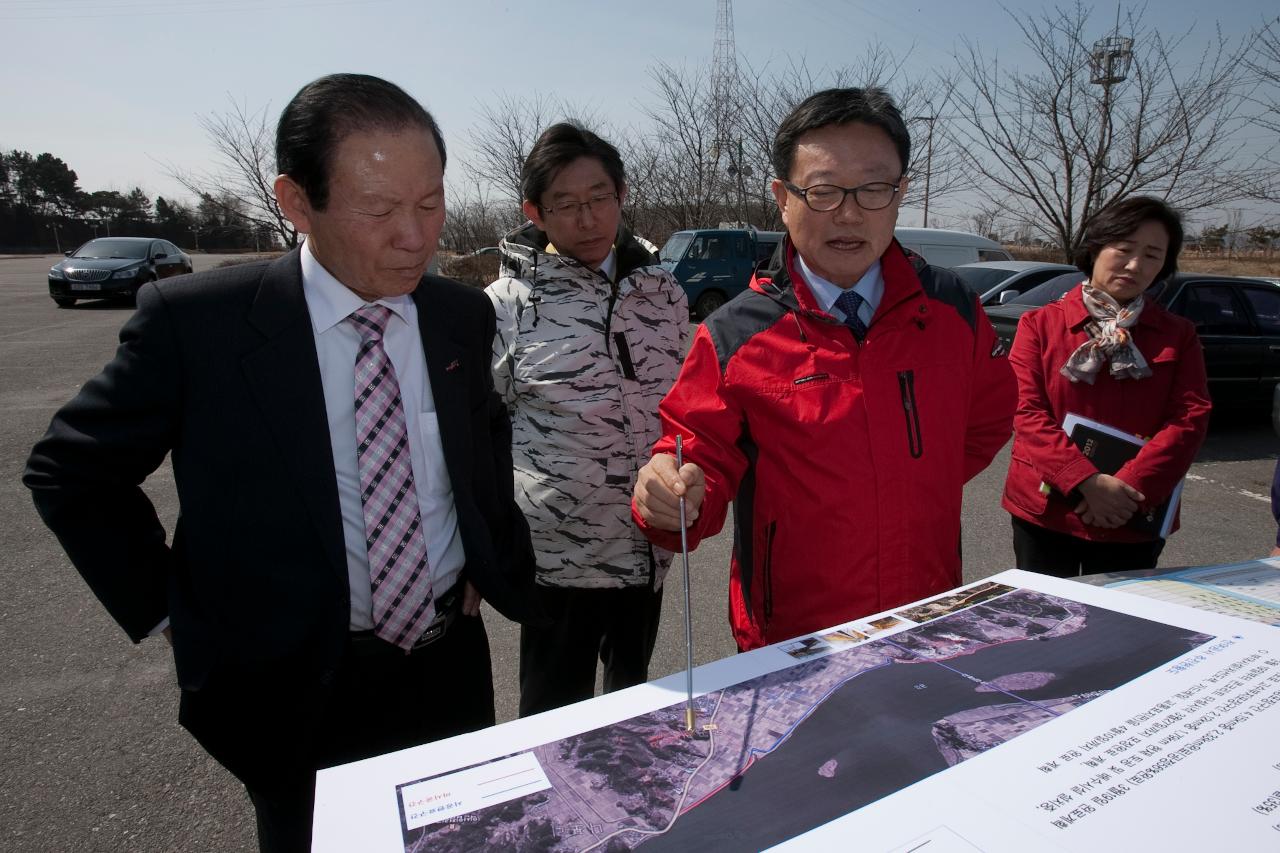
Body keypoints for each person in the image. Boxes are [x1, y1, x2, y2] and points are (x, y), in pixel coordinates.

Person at [23, 74, 541, 853]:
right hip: (289, 685)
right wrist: (173, 614)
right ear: (297, 202)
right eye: (379, 209)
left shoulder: (458, 316)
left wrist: (484, 551)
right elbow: (72, 471)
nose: (416, 236)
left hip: (447, 666)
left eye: (430, 202)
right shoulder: (202, 326)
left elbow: (480, 441)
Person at [631, 87, 1016, 652]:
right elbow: (696, 455)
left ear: (901, 192)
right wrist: (670, 491)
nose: (850, 213)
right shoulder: (737, 333)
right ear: (782, 198)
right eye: (824, 191)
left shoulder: (953, 310)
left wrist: (901, 484)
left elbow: (987, 420)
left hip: (926, 618)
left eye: (874, 189)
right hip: (795, 637)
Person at [486, 123, 688, 716]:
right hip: (556, 560)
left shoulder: (663, 294)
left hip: (644, 547)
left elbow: (685, 409)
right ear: (536, 212)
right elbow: (481, 429)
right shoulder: (508, 304)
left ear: (622, 194)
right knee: (552, 721)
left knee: (634, 709)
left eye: (599, 198)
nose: (587, 218)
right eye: (566, 205)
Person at [1000, 196, 1211, 577]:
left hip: (1131, 512)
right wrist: (1084, 482)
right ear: (1095, 248)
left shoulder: (1178, 335)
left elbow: (1189, 418)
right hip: (1048, 509)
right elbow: (1024, 410)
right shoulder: (1039, 325)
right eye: (1124, 249)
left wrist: (1127, 487)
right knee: (1043, 623)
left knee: (1118, 628)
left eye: (1152, 254)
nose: (1135, 265)